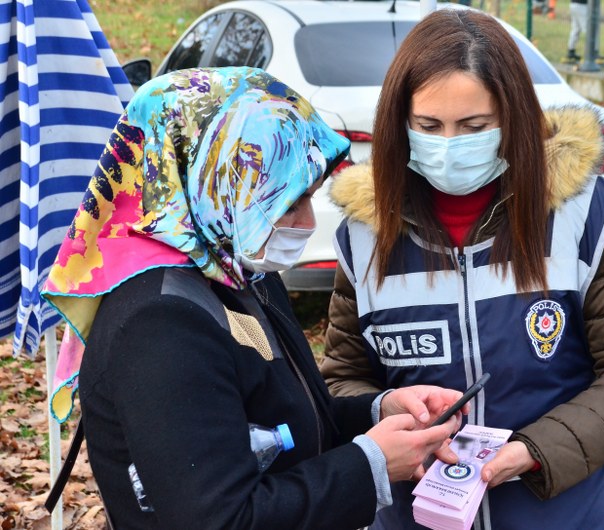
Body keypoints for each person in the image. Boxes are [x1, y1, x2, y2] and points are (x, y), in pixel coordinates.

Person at [41, 67, 466, 529]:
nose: (306, 223)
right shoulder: (158, 323)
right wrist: (371, 465)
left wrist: (378, 411)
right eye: (287, 202)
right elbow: (222, 519)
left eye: (310, 197)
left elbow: (283, 424)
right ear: (215, 183)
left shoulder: (237, 271)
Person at [320, 8, 604, 529]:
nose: (447, 145)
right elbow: (341, 381)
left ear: (511, 119)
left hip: (564, 515)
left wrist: (537, 451)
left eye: (474, 126)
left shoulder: (582, 216)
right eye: (428, 126)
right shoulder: (365, 235)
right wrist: (385, 407)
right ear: (401, 123)